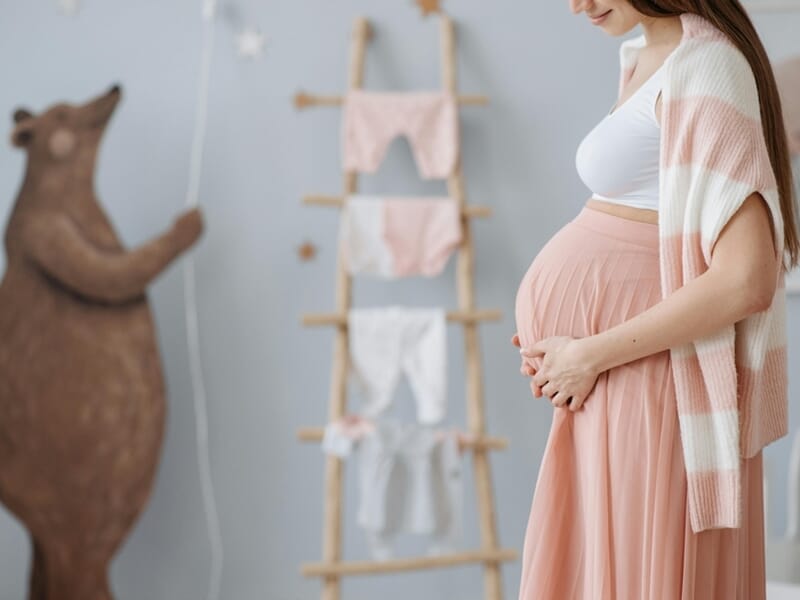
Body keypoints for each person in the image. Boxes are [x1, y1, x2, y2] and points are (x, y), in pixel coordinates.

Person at [512, 2, 799, 598]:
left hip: (653, 378)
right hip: (613, 377)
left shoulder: (710, 65)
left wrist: (590, 352)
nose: (580, 5)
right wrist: (568, 350)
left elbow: (748, 277)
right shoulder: (644, 57)